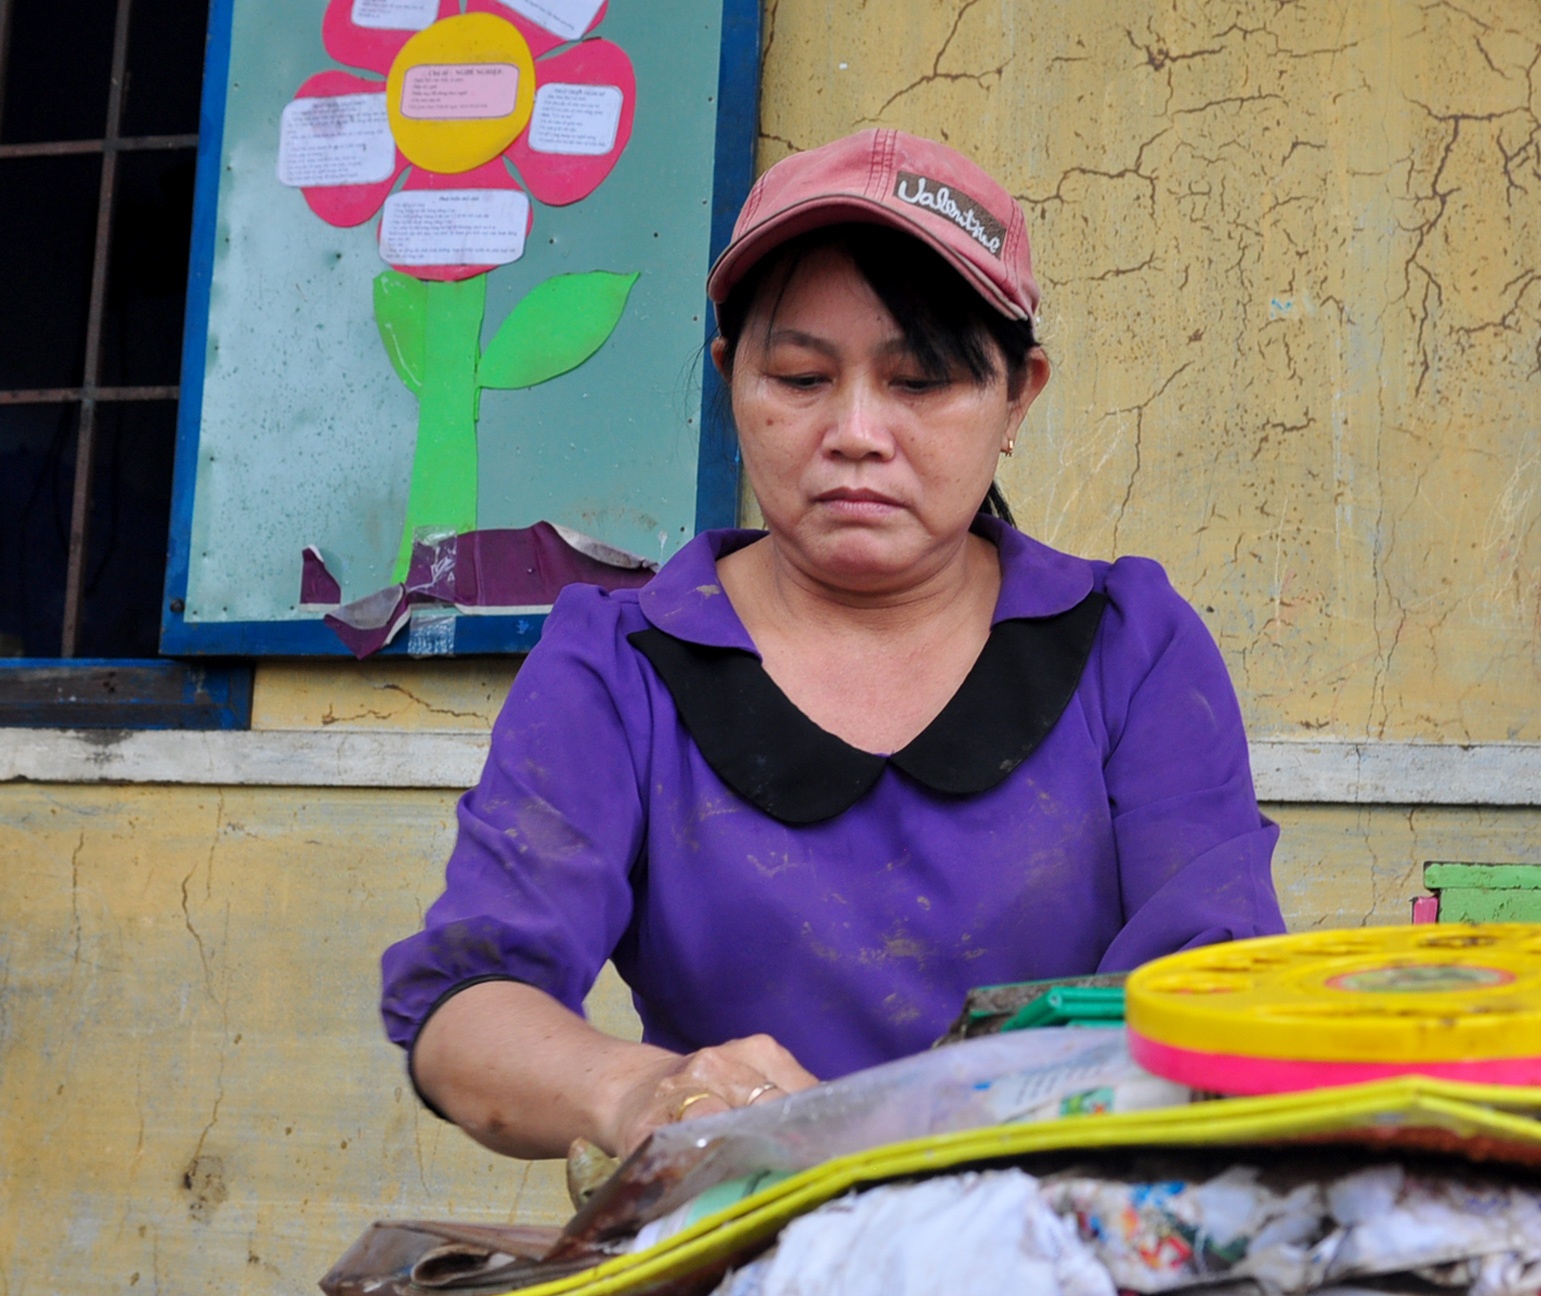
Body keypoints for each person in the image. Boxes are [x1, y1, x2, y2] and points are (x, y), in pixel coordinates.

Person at [381, 128, 1284, 1162]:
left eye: (922, 381)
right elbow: (467, 1011)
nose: (856, 431)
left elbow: (1216, 992)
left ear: (1017, 396)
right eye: (802, 379)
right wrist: (643, 1092)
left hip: (1072, 1256)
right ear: (733, 382)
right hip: (738, 1262)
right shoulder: (619, 665)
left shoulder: (1132, 647)